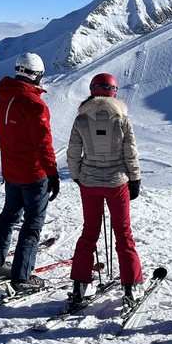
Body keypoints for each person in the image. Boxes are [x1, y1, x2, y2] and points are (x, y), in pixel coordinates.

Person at [0, 52, 60, 293]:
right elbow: (43, 144)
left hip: (12, 171)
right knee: (32, 224)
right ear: (36, 76)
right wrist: (52, 173)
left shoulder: (3, 96)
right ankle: (22, 277)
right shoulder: (34, 104)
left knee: (8, 217)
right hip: (33, 173)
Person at [66, 73, 143, 310]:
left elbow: (72, 153)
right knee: (123, 232)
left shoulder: (81, 119)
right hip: (116, 182)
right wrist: (135, 179)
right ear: (114, 91)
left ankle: (80, 285)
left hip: (89, 182)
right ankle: (131, 286)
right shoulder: (122, 120)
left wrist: (78, 176)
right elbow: (130, 154)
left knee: (89, 232)